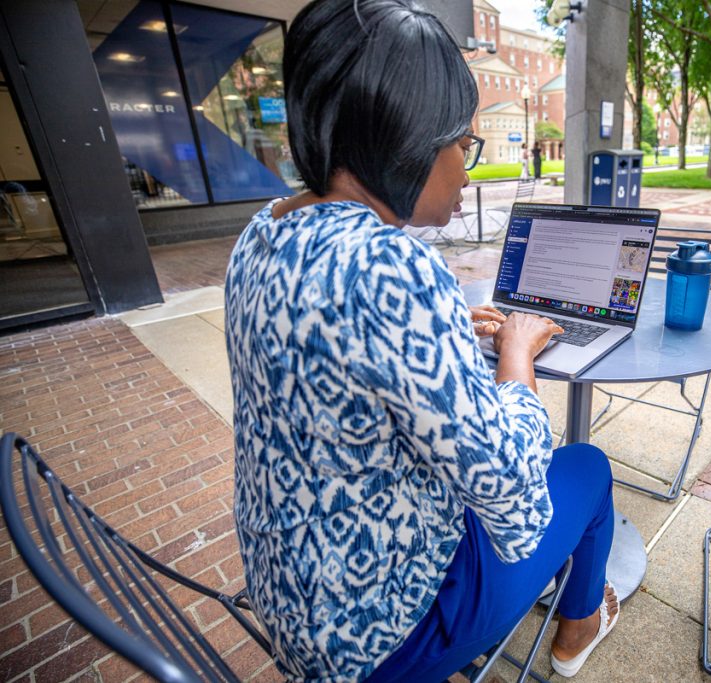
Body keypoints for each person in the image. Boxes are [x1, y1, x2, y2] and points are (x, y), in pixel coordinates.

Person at [223, 1, 620, 681]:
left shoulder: (262, 233)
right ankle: (578, 623)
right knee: (588, 467)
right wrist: (517, 355)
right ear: (406, 140)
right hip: (382, 635)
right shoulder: (392, 266)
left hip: (295, 599)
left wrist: (434, 342)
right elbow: (506, 477)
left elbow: (328, 349)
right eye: (464, 143)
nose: (468, 168)